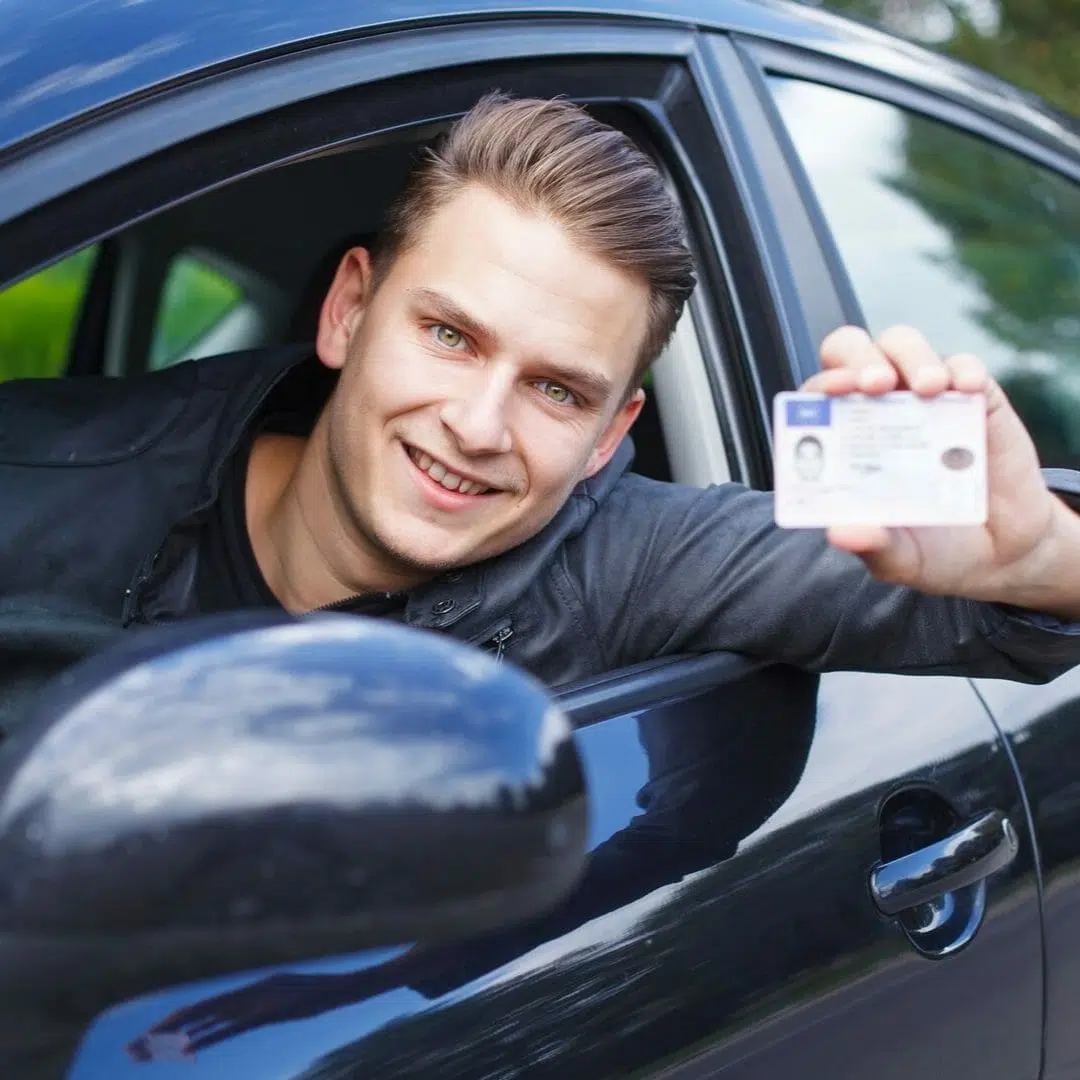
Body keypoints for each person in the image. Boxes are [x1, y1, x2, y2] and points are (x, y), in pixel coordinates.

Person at [2, 91, 1080, 694]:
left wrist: (1037, 560)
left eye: (558, 393)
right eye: (448, 335)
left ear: (614, 436)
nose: (477, 427)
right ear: (347, 312)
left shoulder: (627, 560)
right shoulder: (38, 479)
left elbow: (1009, 617)